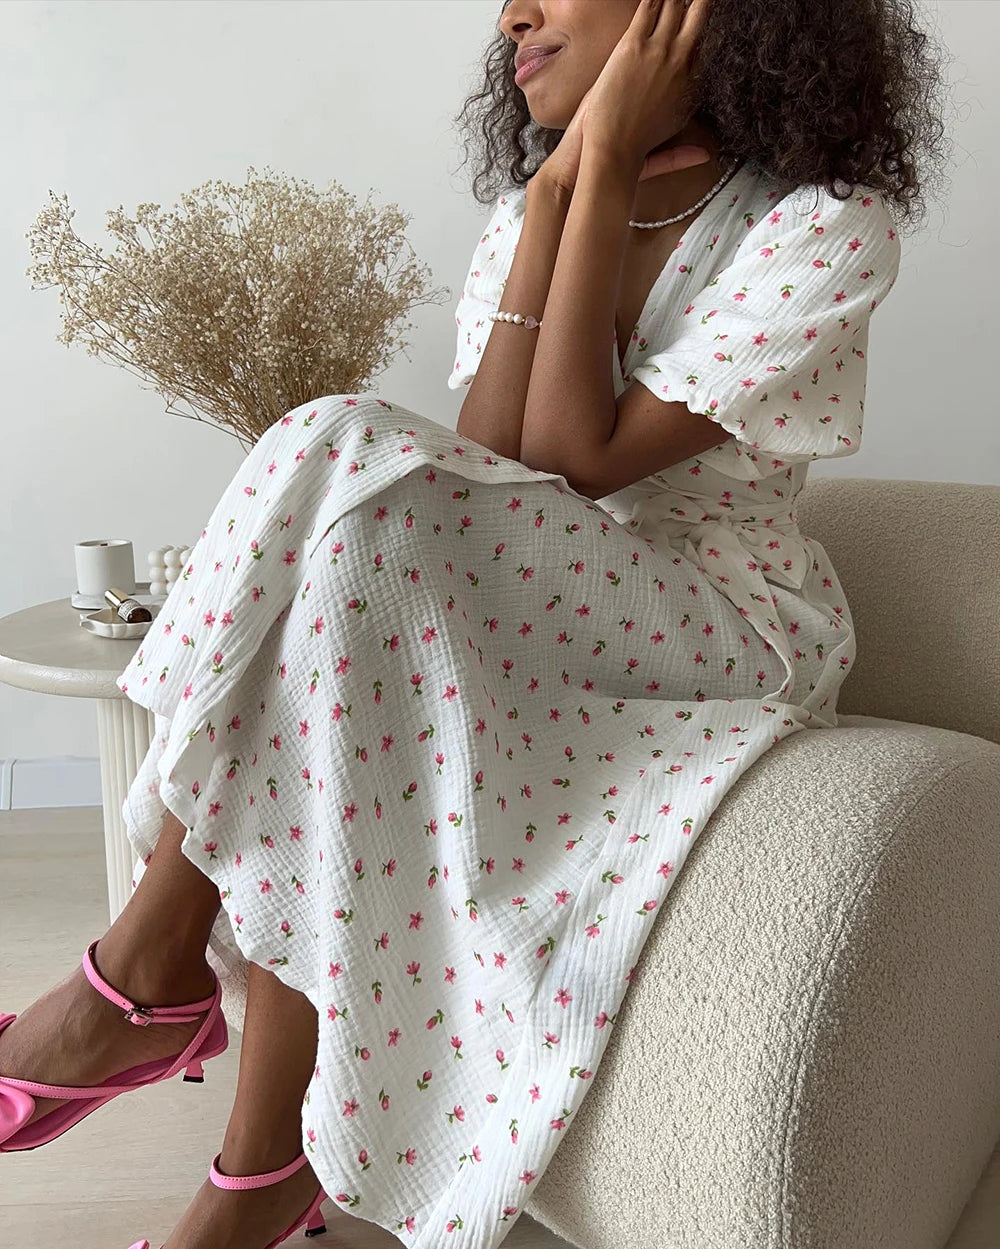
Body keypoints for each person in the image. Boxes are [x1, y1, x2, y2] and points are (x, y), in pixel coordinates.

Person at [0, 2, 948, 1247]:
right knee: (347, 564)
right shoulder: (525, 212)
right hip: (529, 580)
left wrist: (596, 169)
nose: (512, 16)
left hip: (710, 618)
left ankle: (146, 982)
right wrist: (554, 204)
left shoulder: (820, 222)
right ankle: (252, 1160)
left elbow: (570, 461)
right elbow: (487, 470)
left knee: (340, 447)